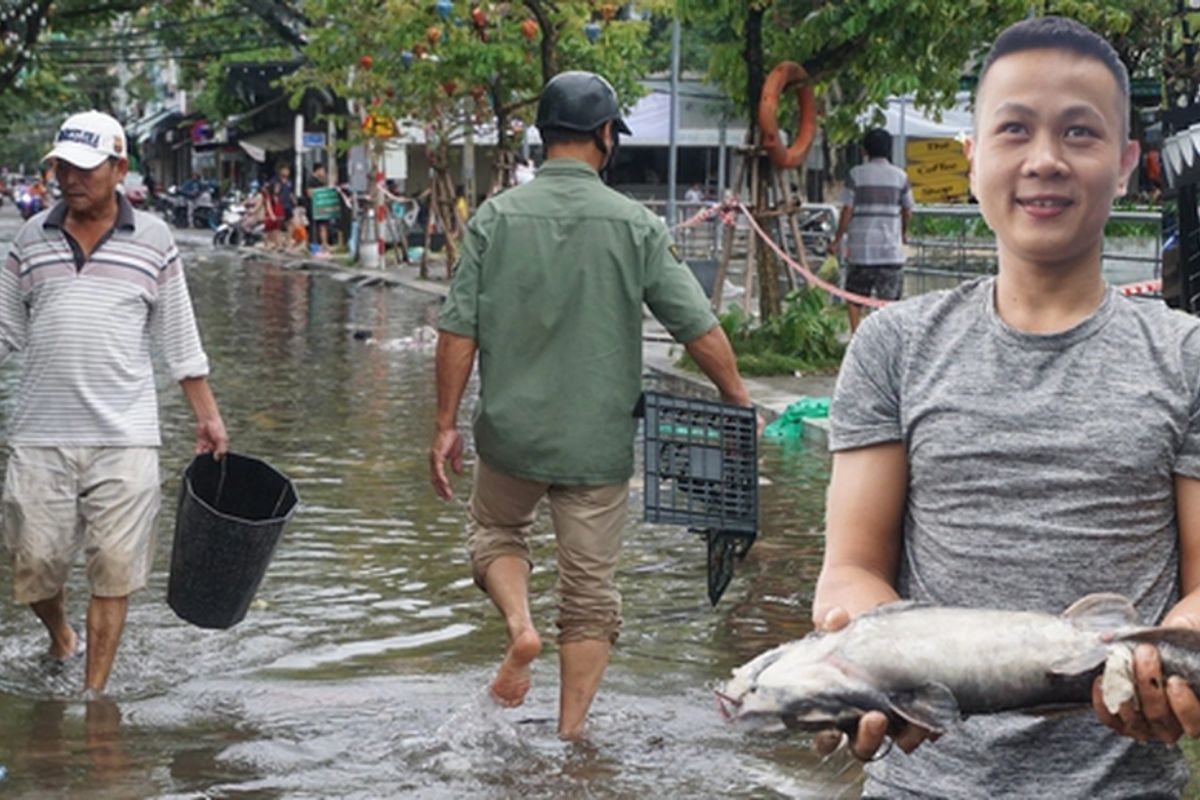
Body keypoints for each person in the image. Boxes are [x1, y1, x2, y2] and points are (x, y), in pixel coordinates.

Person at [812, 16, 1200, 798]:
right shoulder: (893, 346)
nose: (1045, 160)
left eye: (1080, 133)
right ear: (973, 156)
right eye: (1014, 129)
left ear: (1128, 164)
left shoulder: (1189, 358)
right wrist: (878, 663)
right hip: (921, 784)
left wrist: (1178, 658)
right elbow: (851, 569)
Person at [430, 71, 753, 740]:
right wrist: (737, 401)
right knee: (589, 595)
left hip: (510, 437)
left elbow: (457, 331)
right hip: (597, 447)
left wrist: (443, 426)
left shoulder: (494, 217)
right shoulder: (634, 224)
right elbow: (697, 328)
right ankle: (572, 738)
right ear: (606, 136)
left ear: (544, 136)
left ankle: (521, 630)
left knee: (495, 533)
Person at [0, 111, 228, 694]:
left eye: (83, 168)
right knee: (34, 566)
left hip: (125, 434)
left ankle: (94, 698)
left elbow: (178, 335)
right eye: (61, 168)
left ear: (118, 169)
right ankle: (62, 637)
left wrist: (207, 415)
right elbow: (5, 333)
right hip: (39, 433)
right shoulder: (30, 239)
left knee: (114, 570)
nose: (68, 179)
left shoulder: (153, 240)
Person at [829, 127, 915, 334]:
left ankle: (857, 336)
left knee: (854, 297)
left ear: (865, 150)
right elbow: (908, 209)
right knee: (889, 301)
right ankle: (885, 340)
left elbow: (847, 209)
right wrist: (902, 233)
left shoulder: (856, 175)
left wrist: (838, 238)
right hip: (889, 249)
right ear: (889, 150)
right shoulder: (900, 177)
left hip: (861, 250)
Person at [304, 163, 331, 255]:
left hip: (321, 207)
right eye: (322, 170)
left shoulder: (322, 181)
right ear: (318, 170)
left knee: (323, 225)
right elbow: (309, 193)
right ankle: (310, 244)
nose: (324, 172)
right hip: (313, 206)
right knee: (312, 226)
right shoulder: (311, 180)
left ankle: (324, 244)